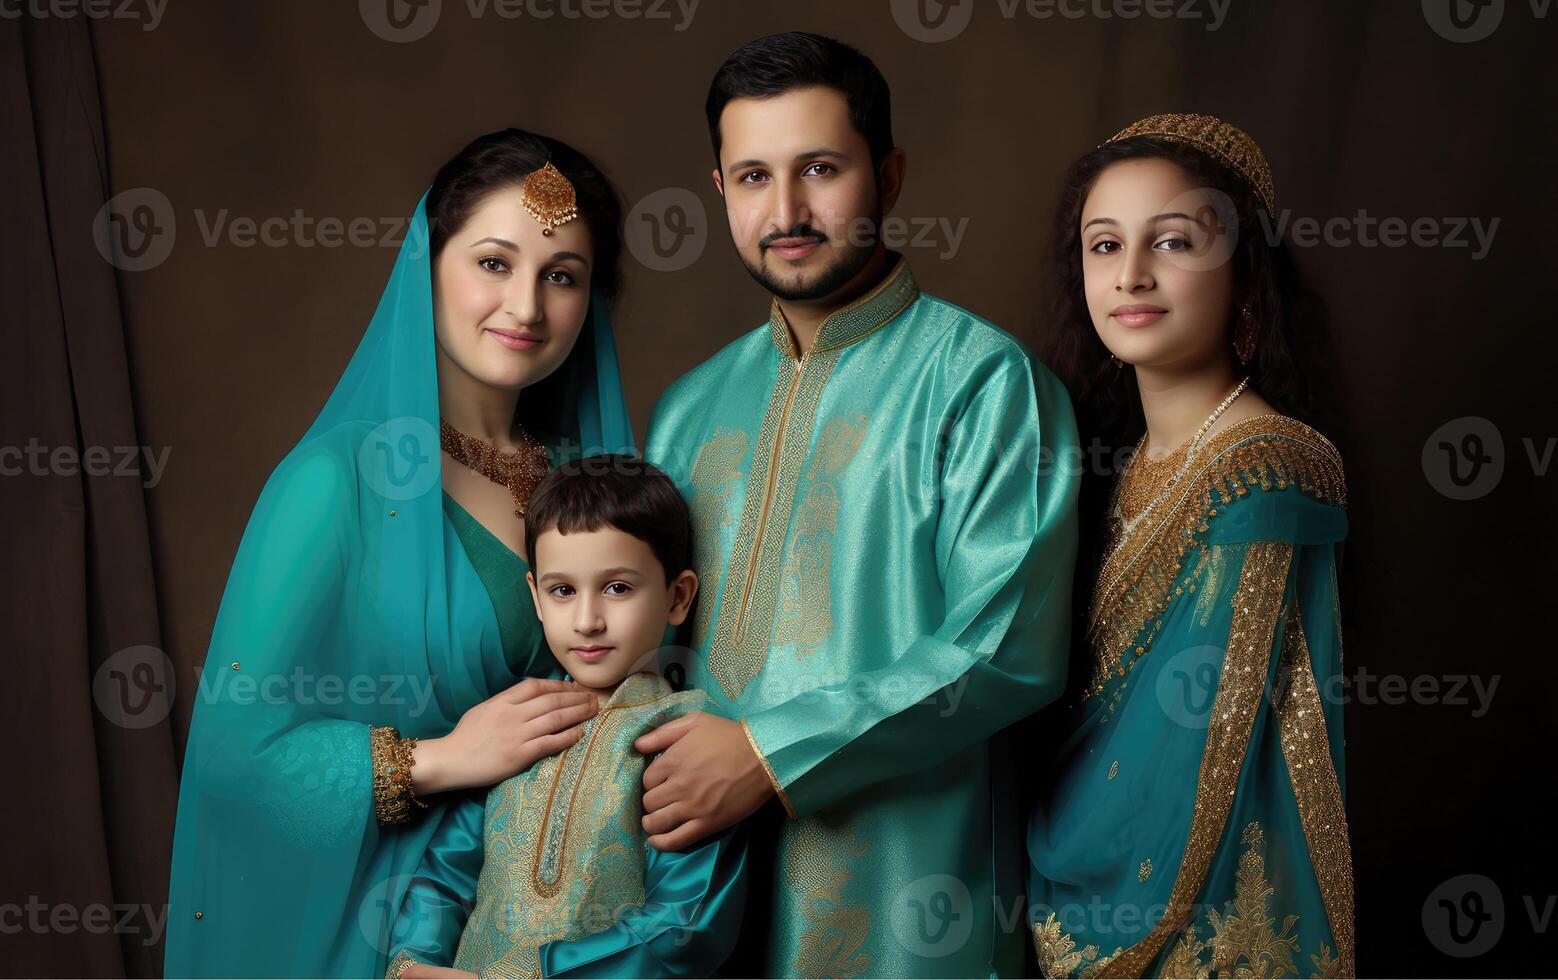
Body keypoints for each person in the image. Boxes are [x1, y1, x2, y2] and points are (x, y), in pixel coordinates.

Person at [636, 32, 1081, 977]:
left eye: (821, 169)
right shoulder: (686, 411)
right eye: (753, 176)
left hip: (911, 904)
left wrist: (767, 752)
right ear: (718, 191)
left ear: (890, 174)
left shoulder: (986, 385)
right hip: (701, 900)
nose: (786, 210)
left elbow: (1006, 649)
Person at [163, 129, 637, 977]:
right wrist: (443, 758)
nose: (526, 306)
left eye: (560, 276)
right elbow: (238, 753)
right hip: (381, 940)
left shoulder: (592, 486)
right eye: (494, 263)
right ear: (428, 265)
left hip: (560, 937)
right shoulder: (334, 482)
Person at [1026, 113, 1355, 978]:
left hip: (1185, 916)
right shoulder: (1122, 460)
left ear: (1246, 275)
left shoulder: (1267, 468)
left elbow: (1199, 748)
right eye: (1104, 246)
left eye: (1172, 241)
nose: (1130, 274)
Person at [384, 456, 748, 979]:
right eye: (563, 590)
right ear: (535, 597)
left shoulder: (687, 738)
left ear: (677, 596)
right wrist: (413, 963)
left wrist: (536, 975)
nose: (587, 620)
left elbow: (683, 927)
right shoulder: (512, 721)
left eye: (617, 588)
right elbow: (446, 872)